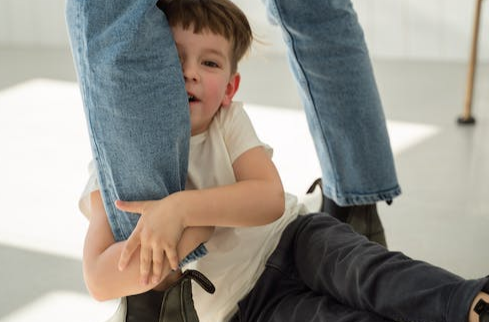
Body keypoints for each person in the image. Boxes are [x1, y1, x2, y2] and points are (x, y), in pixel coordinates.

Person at [77, 1, 489, 322]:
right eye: (175, 57)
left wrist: (182, 210)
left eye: (209, 62)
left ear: (229, 87)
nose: (190, 73)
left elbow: (268, 199)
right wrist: (184, 231)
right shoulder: (114, 166)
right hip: (244, 308)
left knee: (372, 273)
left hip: (293, 240)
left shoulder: (227, 121)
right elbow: (99, 281)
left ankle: (474, 304)